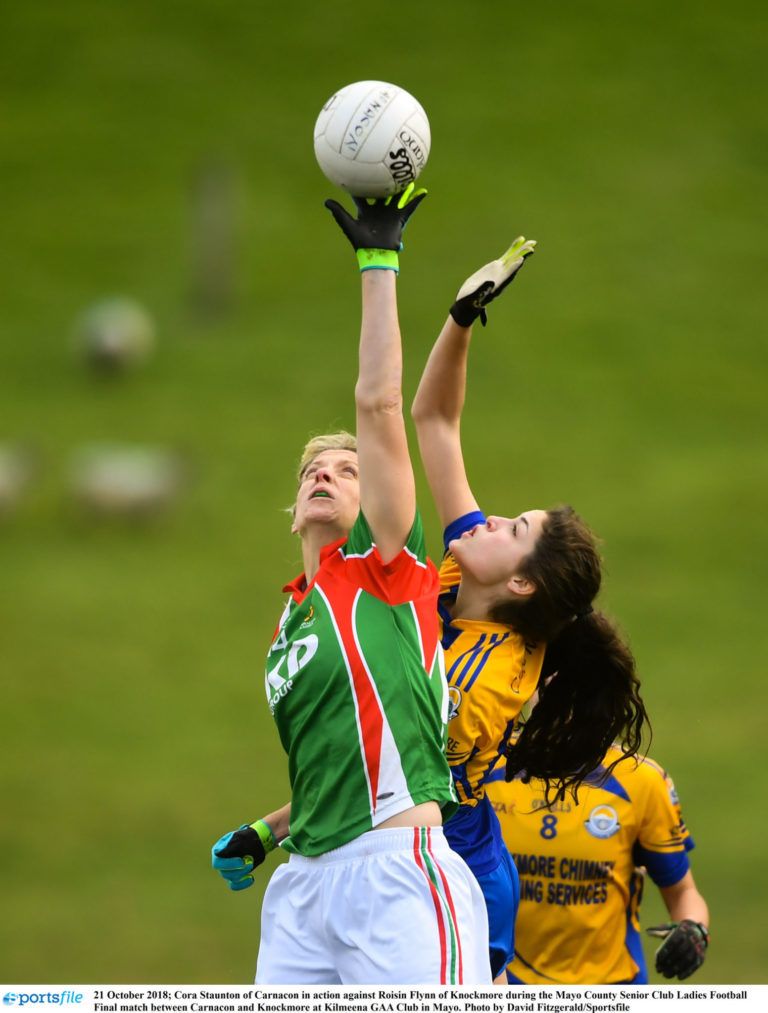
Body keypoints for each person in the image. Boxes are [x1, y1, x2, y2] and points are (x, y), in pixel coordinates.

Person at [210, 185, 492, 986]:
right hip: (303, 890)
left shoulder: (385, 568)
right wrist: (268, 833)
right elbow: (337, 767)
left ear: (379, 499)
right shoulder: (290, 621)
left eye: (346, 468)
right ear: (293, 506)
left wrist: (379, 259)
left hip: (397, 878)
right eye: (311, 470)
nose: (325, 474)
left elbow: (377, 402)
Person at [410, 240, 650, 980]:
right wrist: (461, 319)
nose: (493, 520)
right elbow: (436, 422)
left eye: (516, 529)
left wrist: (278, 826)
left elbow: (393, 781)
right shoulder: (473, 573)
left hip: (456, 876)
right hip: (420, 851)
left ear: (521, 585)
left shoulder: (480, 686)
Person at [485, 733, 710, 983]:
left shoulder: (641, 780)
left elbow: (682, 893)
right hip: (504, 985)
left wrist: (695, 929)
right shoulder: (485, 764)